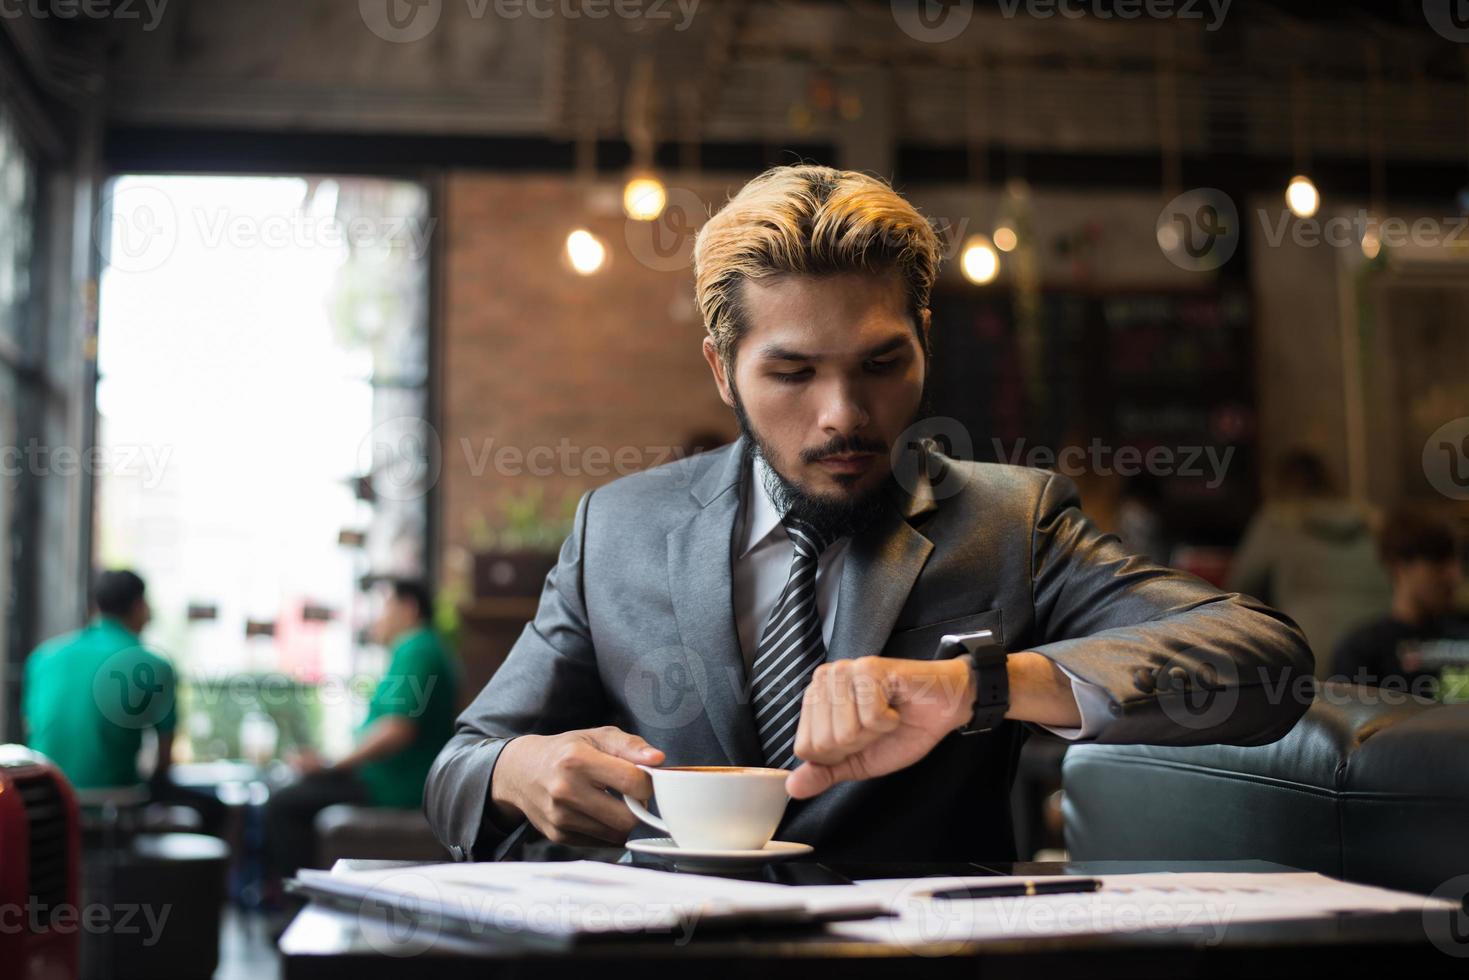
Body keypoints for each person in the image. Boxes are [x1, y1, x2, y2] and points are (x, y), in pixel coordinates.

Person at [426, 165, 1315, 864]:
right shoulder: (615, 531)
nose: (844, 413)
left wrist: (980, 687)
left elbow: (1261, 660)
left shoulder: (1011, 522)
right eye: (793, 372)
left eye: (882, 363)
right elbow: (459, 766)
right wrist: (518, 769)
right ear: (718, 367)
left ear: (924, 340)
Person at [263, 580, 459, 879]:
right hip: (389, 783)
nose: (376, 618)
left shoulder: (416, 648)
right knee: (292, 792)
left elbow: (397, 729)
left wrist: (331, 766)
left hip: (394, 789)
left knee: (284, 803)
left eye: (384, 608)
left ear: (409, 609)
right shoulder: (422, 648)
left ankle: (299, 904)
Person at [1227, 450, 1390, 678]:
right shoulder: (1373, 522)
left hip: (1312, 656)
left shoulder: (1277, 520)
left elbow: (1239, 590)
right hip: (1382, 654)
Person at [23, 570, 178, 792]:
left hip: (46, 797)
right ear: (139, 605)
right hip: (117, 802)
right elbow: (164, 758)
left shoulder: (42, 658)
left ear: (96, 606)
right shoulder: (153, 665)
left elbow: (33, 728)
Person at [1333, 509, 1467, 699]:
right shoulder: (1362, 650)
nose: (1455, 576)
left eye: (1456, 561)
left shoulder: (1464, 630)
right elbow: (1355, 724)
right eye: (1438, 562)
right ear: (1399, 567)